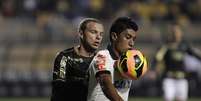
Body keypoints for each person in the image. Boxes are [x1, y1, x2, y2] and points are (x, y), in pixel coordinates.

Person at [50, 18, 104, 101]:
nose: (98, 37)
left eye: (101, 34)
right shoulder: (65, 57)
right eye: (93, 32)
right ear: (81, 33)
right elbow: (58, 87)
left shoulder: (102, 59)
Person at [87, 17, 139, 101]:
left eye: (133, 39)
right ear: (114, 36)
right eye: (128, 37)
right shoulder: (102, 56)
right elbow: (105, 82)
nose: (132, 43)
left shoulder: (129, 62)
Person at [153, 23, 201, 101]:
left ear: (181, 33)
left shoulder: (184, 45)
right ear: (171, 33)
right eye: (174, 32)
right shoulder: (166, 45)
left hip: (182, 79)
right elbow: (157, 58)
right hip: (169, 79)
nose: (176, 34)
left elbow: (195, 54)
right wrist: (153, 69)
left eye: (177, 31)